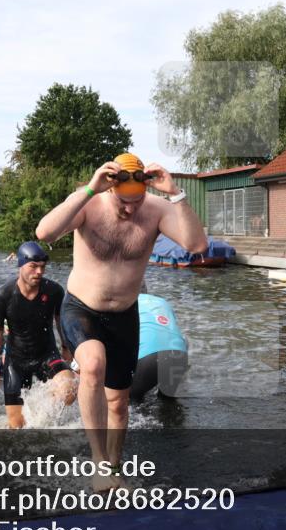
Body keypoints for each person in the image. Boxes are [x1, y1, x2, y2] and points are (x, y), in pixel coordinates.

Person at [36, 153, 205, 488]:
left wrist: (176, 194)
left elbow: (196, 244)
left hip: (125, 315)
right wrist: (86, 191)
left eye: (136, 201)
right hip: (81, 308)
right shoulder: (90, 203)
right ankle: (99, 464)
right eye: (123, 202)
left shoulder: (156, 210)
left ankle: (113, 468)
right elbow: (45, 232)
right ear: (110, 188)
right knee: (93, 365)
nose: (130, 209)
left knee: (119, 402)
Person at [0, 242, 76, 429]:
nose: (39, 272)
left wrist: (67, 348)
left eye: (42, 267)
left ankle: (40, 414)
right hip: (16, 361)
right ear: (20, 265)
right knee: (16, 427)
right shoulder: (4, 295)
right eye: (33, 266)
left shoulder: (54, 291)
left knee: (69, 391)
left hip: (47, 355)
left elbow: (61, 322)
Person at [130, 292, 188, 401]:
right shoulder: (162, 302)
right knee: (168, 403)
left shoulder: (127, 302)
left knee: (131, 402)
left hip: (150, 359)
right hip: (179, 354)